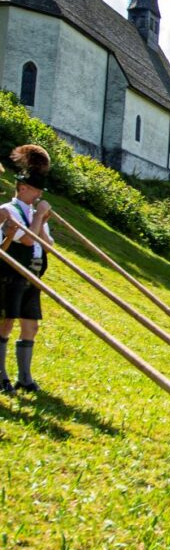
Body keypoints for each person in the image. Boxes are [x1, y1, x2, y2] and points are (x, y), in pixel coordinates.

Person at [0, 145, 53, 394]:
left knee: (30, 325)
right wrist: (39, 218)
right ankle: (1, 376)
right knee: (6, 322)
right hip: (11, 274)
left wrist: (41, 219)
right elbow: (28, 239)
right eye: (35, 190)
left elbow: (47, 244)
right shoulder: (9, 211)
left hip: (33, 274)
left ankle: (25, 377)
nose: (39, 194)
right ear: (22, 188)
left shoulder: (34, 213)